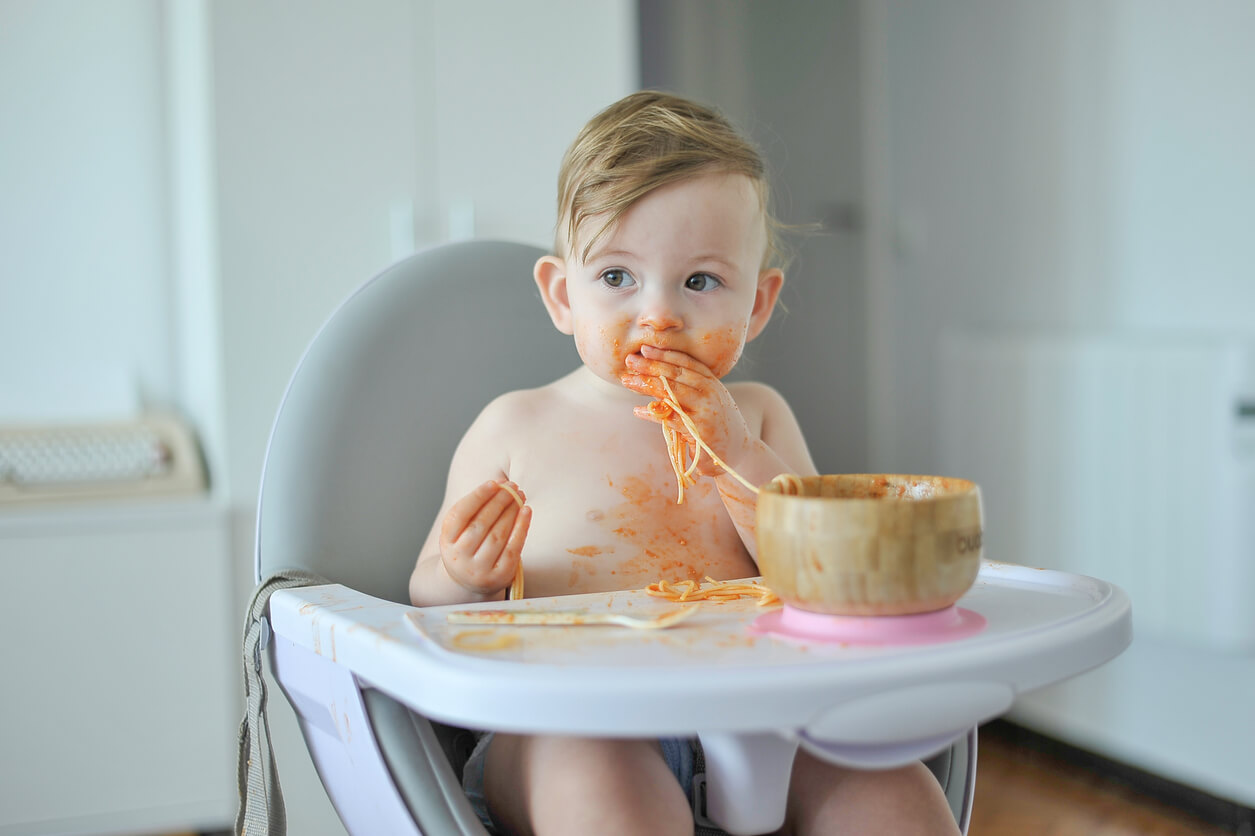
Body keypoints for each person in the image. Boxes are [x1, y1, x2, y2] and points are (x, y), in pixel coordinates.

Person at [409, 91, 959, 836]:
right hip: (565, 722)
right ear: (561, 294)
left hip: (770, 716)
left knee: (894, 798)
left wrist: (735, 453)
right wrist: (462, 574)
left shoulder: (758, 418)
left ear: (756, 305)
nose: (656, 315)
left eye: (700, 282)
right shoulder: (515, 426)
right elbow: (429, 609)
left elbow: (822, 582)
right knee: (604, 798)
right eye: (616, 278)